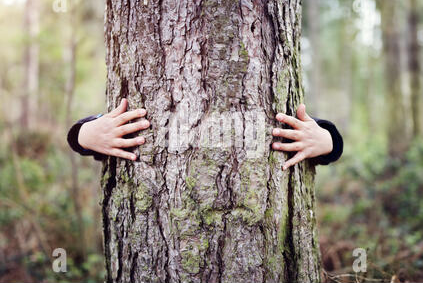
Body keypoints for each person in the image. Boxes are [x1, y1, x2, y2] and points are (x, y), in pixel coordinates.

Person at [67, 99, 343, 169]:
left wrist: (328, 141)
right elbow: (79, 133)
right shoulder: (117, 127)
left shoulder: (289, 126)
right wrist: (85, 134)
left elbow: (330, 137)